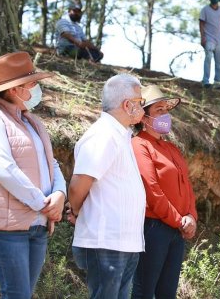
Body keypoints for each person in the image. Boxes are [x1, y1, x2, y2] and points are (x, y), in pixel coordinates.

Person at [0, 51, 66, 298]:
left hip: (37, 224)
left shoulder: (32, 122)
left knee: (23, 294)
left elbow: (52, 163)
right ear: (15, 89)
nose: (37, 89)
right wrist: (41, 204)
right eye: (33, 84)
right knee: (16, 294)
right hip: (6, 226)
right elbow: (4, 169)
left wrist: (59, 194)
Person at [68, 73, 146, 299]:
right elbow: (78, 186)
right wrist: (75, 210)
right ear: (127, 104)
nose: (143, 107)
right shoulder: (103, 135)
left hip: (125, 241)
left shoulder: (120, 135)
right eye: (140, 102)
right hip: (106, 241)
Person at [130, 85, 198, 298]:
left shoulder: (171, 148)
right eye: (159, 110)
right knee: (144, 290)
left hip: (176, 231)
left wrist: (191, 217)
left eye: (166, 110)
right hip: (153, 228)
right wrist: (179, 220)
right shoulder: (139, 144)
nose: (165, 115)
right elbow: (151, 190)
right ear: (144, 117)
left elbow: (187, 187)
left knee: (167, 292)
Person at [199, 0, 220, 88]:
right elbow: (201, 23)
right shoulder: (205, 9)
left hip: (218, 39)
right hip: (208, 38)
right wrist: (202, 37)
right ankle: (206, 81)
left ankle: (217, 82)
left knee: (219, 61)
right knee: (208, 58)